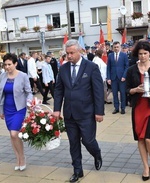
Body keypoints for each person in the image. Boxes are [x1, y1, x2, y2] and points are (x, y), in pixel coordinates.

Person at [53, 39, 104, 183]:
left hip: (86, 112)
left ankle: (97, 153)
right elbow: (58, 90)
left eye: (71, 53)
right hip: (69, 113)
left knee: (88, 140)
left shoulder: (91, 67)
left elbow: (98, 91)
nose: (69, 56)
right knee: (73, 143)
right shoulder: (63, 68)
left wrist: (99, 112)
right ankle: (77, 170)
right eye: (67, 53)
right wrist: (57, 109)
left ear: (80, 51)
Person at [126, 40, 150, 181]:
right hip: (138, 106)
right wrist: (135, 90)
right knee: (141, 138)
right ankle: (145, 166)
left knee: (149, 138)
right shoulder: (131, 70)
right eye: (140, 54)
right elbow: (127, 89)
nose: (142, 56)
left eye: (145, 53)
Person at [0, 53, 33, 171]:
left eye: (9, 64)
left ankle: (22, 158)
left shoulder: (23, 76)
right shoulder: (2, 76)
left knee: (14, 134)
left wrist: (30, 103)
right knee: (12, 137)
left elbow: (29, 92)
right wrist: (1, 110)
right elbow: (0, 95)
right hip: (7, 109)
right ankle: (17, 159)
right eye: (5, 64)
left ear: (15, 64)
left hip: (19, 109)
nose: (7, 67)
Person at [107, 41, 129, 114]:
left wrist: (124, 76)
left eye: (117, 47)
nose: (116, 48)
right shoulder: (110, 55)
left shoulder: (124, 55)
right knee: (115, 94)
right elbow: (108, 67)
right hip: (113, 78)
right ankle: (116, 108)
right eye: (115, 47)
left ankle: (123, 108)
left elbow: (126, 67)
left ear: (120, 47)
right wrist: (108, 78)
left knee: (122, 93)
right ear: (113, 48)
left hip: (122, 77)